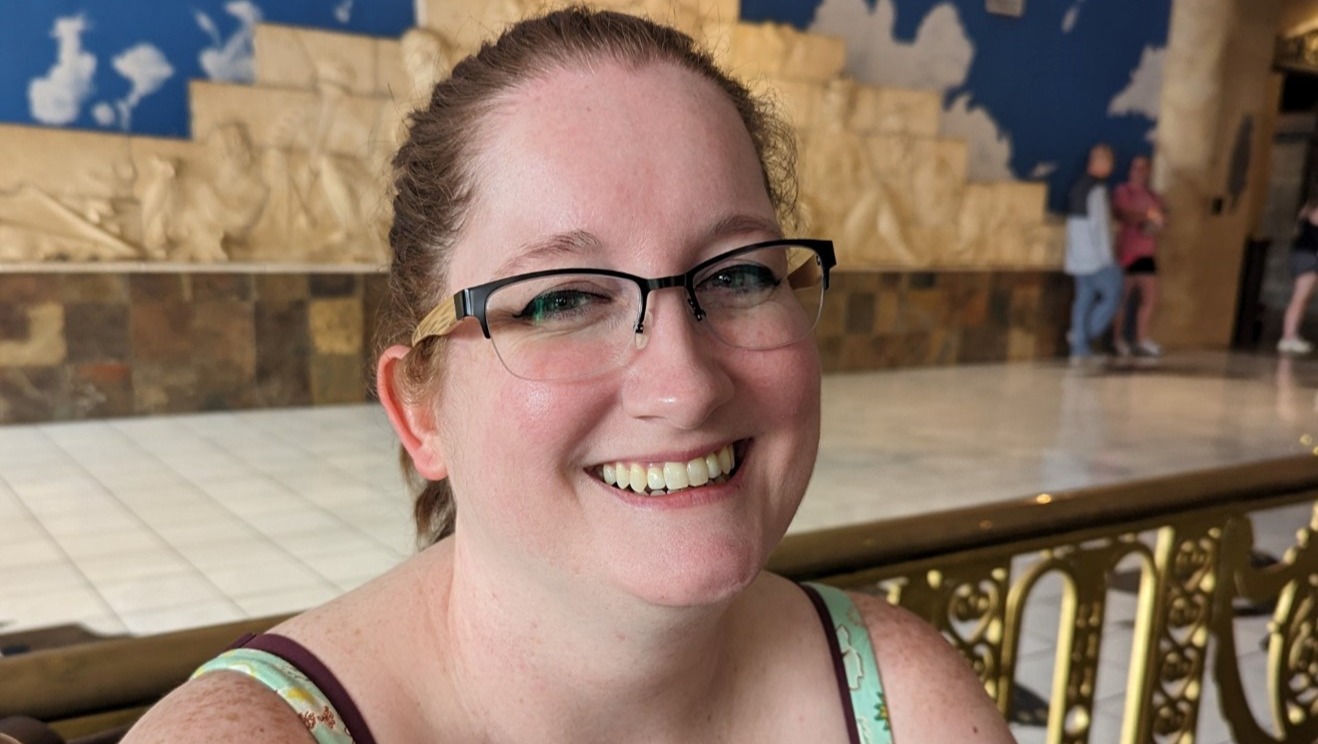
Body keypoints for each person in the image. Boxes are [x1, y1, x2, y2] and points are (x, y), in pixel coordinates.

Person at [123, 9, 1013, 744]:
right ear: (420, 410)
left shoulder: (907, 699)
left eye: (740, 275)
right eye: (562, 300)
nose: (685, 386)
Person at [1064, 143, 1122, 365]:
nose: (1111, 168)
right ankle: (1082, 336)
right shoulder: (1097, 190)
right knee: (1113, 294)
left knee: (1083, 300)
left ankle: (1079, 348)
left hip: (1077, 258)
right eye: (1110, 163)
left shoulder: (1078, 187)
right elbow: (1101, 228)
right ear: (1102, 162)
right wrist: (1108, 258)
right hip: (1096, 258)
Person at [1110, 155, 1166, 358]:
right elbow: (1124, 214)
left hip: (1147, 252)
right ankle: (1117, 340)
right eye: (1136, 167)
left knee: (1149, 298)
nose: (1139, 172)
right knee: (1122, 299)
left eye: (1144, 168)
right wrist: (1147, 216)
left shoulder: (1153, 196)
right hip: (1128, 251)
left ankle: (1141, 339)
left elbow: (1161, 218)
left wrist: (1155, 222)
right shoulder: (1123, 191)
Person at [1279, 200, 1318, 354]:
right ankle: (1288, 337)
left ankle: (1292, 335)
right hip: (1307, 258)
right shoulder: (1311, 221)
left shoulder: (1305, 219)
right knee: (1299, 298)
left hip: (1306, 257)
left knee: (1302, 299)